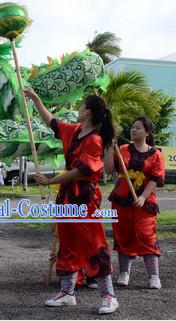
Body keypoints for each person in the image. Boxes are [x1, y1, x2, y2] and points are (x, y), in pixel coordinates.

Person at [24, 88, 119, 314]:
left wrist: (50, 180)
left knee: (94, 244)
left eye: (81, 106)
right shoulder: (76, 131)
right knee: (68, 243)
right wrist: (37, 99)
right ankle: (67, 293)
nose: (78, 109)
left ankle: (109, 296)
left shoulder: (94, 140)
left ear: (87, 112)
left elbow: (82, 171)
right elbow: (53, 123)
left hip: (83, 197)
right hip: (67, 196)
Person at [104, 116, 165, 289]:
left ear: (147, 132)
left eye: (138, 128)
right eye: (132, 127)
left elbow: (155, 179)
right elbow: (108, 169)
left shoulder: (155, 154)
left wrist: (143, 197)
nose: (133, 130)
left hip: (144, 202)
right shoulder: (121, 149)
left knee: (146, 235)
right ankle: (124, 273)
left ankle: (154, 276)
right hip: (122, 200)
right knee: (123, 235)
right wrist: (109, 147)